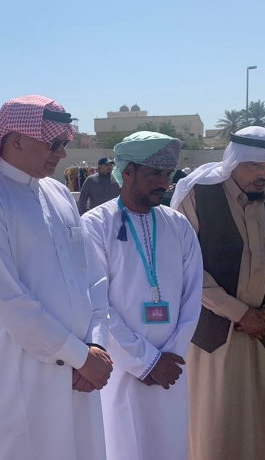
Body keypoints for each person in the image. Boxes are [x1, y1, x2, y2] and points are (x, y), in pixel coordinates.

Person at [0, 95, 111, 460]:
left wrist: (96, 345)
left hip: (81, 372)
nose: (62, 153)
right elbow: (7, 300)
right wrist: (80, 357)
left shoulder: (59, 193)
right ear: (16, 139)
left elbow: (93, 277)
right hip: (20, 373)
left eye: (64, 143)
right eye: (53, 143)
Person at [171, 126, 265, 460]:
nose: (264, 174)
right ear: (234, 160)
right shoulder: (198, 195)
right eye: (255, 165)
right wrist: (239, 312)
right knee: (216, 421)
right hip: (216, 333)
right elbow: (183, 264)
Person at [82, 132, 203, 460]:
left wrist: (172, 354)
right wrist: (145, 361)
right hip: (118, 367)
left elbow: (193, 294)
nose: (164, 183)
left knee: (169, 444)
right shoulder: (95, 225)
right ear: (128, 172)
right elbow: (95, 301)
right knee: (121, 443)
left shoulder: (178, 225)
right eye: (155, 174)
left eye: (167, 174)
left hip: (172, 366)